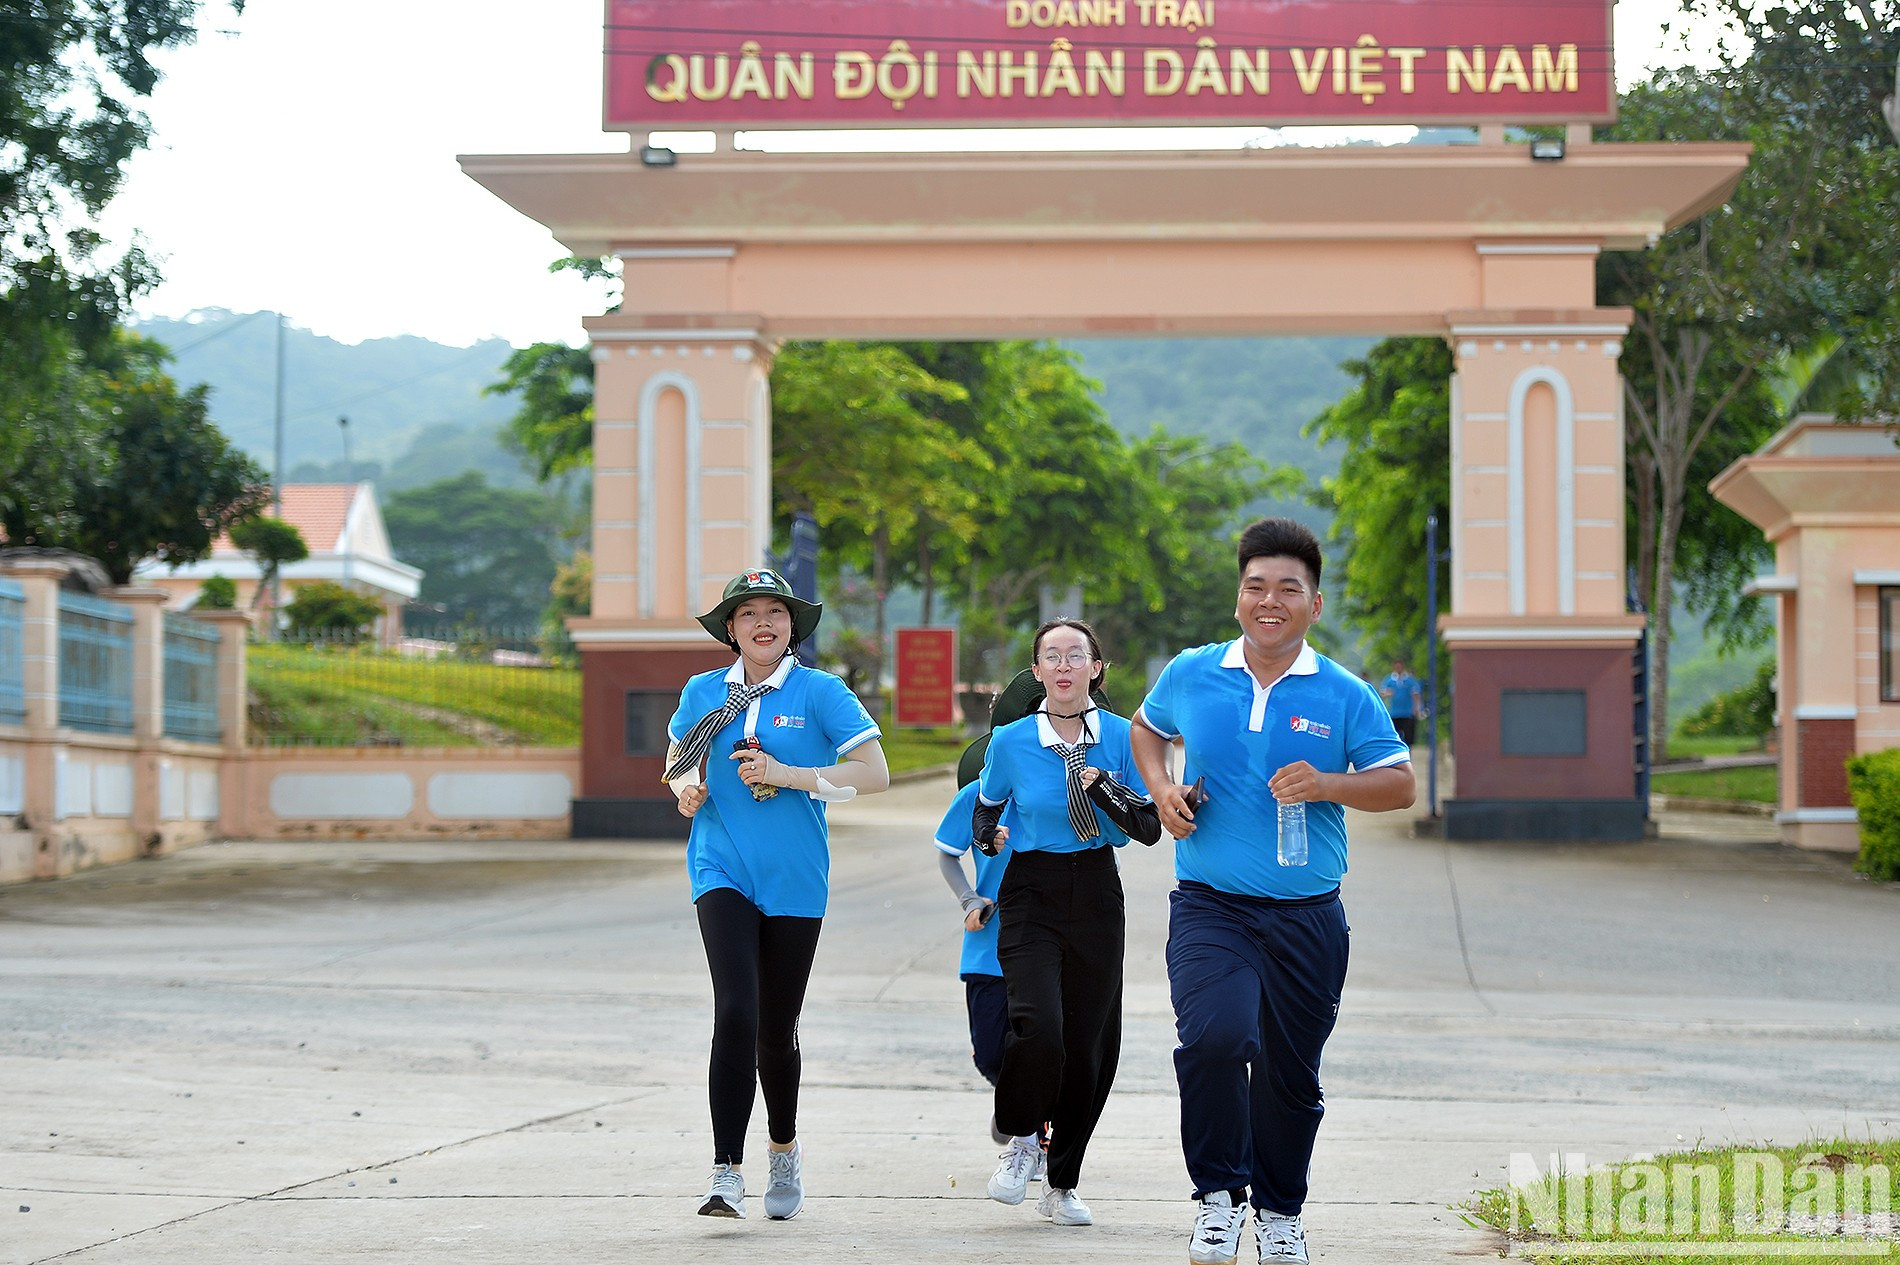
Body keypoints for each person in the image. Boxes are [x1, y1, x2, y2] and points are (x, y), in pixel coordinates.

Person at [1129, 518, 1414, 1265]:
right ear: (1238, 597)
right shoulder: (1192, 672)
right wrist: (1161, 791)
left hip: (1308, 917)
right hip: (1210, 905)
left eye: (1289, 587)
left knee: (1291, 1074)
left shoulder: (1346, 693)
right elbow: (1146, 729)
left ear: (1315, 604)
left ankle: (1282, 1212)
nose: (1270, 599)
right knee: (1218, 1037)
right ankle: (1218, 1199)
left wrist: (1329, 783)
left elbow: (1401, 782)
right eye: (1256, 585)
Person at [664, 568, 890, 1222]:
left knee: (775, 1028)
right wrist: (685, 789)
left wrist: (786, 773)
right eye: (748, 613)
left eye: (776, 612)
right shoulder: (703, 690)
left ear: (792, 626)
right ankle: (725, 1170)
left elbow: (874, 773)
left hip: (794, 879)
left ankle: (783, 1145)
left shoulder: (821, 692)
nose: (763, 623)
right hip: (720, 866)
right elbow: (678, 760)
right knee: (735, 1006)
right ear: (731, 629)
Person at [972, 619, 1161, 1228]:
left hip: (1097, 890)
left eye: (1074, 655)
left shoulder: (1125, 738)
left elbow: (1148, 827)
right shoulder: (1011, 741)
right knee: (1039, 1026)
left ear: (1095, 668)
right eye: (1050, 656)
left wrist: (1105, 788)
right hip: (1030, 888)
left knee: (1089, 1046)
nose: (1062, 665)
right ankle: (1022, 1135)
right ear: (1036, 672)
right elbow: (986, 803)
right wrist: (988, 833)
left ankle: (1064, 1182)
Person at [934, 671, 1039, 1151]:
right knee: (993, 1054)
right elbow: (947, 853)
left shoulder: (1073, 797)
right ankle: (1013, 1097)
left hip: (1049, 940)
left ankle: (1034, 1135)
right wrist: (969, 899)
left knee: (1047, 1043)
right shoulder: (977, 796)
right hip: (988, 944)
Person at [1379, 659, 1424, 747]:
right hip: (1393, 713)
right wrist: (1388, 693)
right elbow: (1382, 693)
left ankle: (1407, 754)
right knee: (1394, 736)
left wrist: (1417, 708)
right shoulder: (1389, 680)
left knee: (1408, 737)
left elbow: (1416, 694)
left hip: (1407, 713)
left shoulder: (1410, 680)